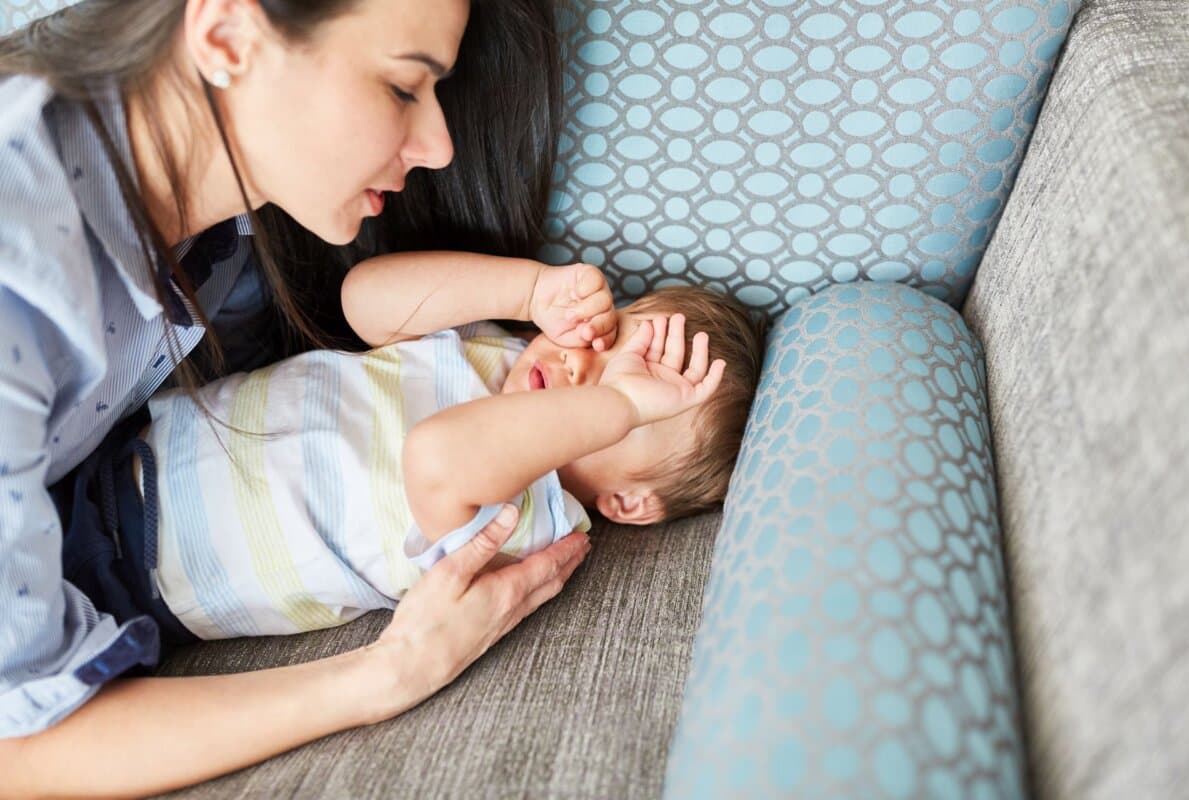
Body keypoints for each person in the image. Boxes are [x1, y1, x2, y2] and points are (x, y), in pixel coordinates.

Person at [0, 1, 591, 796]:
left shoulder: (216, 214)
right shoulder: (19, 271)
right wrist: (385, 676)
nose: (440, 146)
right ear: (227, 37)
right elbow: (20, 746)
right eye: (401, 86)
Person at [118, 254, 764, 640]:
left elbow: (437, 457)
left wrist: (620, 405)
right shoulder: (502, 352)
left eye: (622, 408)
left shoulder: (533, 516)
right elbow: (361, 301)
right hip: (133, 437)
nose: (577, 366)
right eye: (607, 337)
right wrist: (533, 291)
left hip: (145, 568)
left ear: (627, 502)